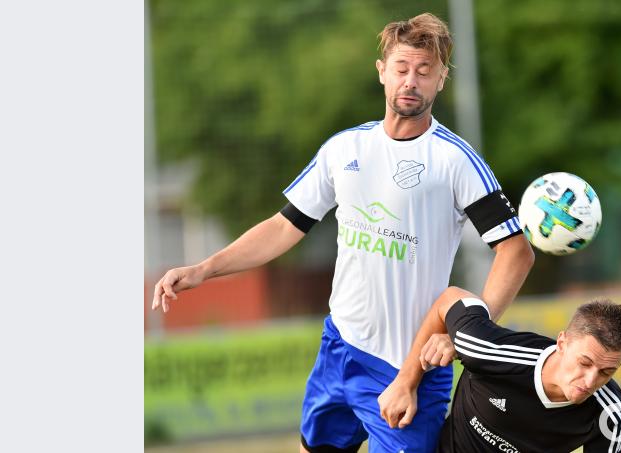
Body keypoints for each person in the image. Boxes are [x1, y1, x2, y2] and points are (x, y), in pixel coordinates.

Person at [151, 12, 535, 453]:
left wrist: (465, 333)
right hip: (339, 348)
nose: (411, 81)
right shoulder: (345, 148)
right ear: (382, 72)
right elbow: (283, 226)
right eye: (402, 69)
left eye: (424, 72)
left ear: (442, 80)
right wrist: (205, 268)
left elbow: (516, 251)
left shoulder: (456, 160)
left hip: (407, 367)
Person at [379, 286, 621, 453]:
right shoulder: (488, 349)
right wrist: (406, 382)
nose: (591, 380)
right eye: (585, 363)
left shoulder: (609, 412)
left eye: (606, 372)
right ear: (562, 343)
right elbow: (450, 299)